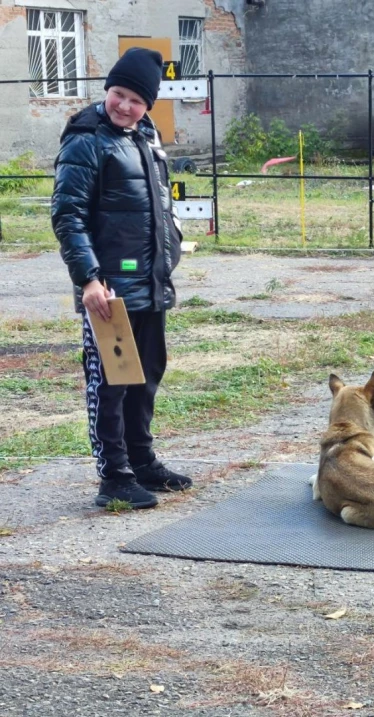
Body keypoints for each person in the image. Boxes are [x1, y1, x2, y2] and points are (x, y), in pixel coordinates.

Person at [52, 47, 192, 509]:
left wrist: (170, 245)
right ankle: (114, 476)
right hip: (107, 291)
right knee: (112, 383)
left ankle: (141, 462)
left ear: (148, 104)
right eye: (118, 94)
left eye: (135, 99)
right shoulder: (86, 139)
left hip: (150, 285)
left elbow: (157, 206)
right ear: (107, 91)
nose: (124, 105)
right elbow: (68, 215)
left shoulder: (145, 137)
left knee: (146, 375)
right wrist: (89, 279)